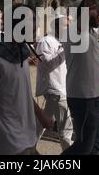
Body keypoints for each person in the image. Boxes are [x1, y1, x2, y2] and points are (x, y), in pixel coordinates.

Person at [0, 4, 53, 155]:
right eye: (32, 21)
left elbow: (22, 92)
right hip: (8, 143)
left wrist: (41, 115)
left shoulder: (21, 52)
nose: (36, 26)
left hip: (28, 137)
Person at [61, 0, 99, 155]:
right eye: (93, 8)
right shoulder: (73, 32)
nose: (98, 12)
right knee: (83, 147)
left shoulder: (91, 30)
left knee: (97, 146)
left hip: (96, 99)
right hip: (83, 100)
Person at [35, 14, 73, 151]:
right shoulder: (46, 41)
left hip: (61, 89)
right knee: (66, 131)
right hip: (55, 90)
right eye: (66, 25)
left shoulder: (62, 41)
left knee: (41, 124)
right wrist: (64, 49)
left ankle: (28, 148)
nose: (69, 28)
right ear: (56, 26)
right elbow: (47, 64)